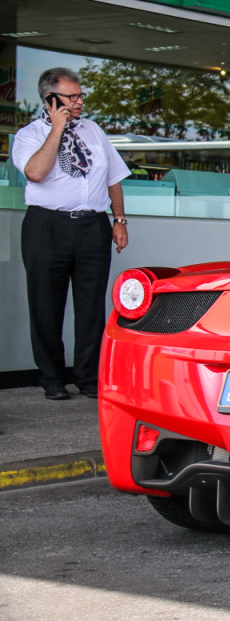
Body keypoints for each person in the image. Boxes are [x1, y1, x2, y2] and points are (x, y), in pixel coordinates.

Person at [11, 67, 130, 400]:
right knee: (46, 304)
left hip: (92, 225)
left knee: (91, 306)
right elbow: (35, 172)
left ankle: (88, 377)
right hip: (47, 225)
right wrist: (58, 128)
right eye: (71, 97)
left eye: (81, 96)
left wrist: (119, 220)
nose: (79, 102)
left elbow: (114, 177)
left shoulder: (94, 131)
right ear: (51, 99)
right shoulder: (30, 135)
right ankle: (51, 378)